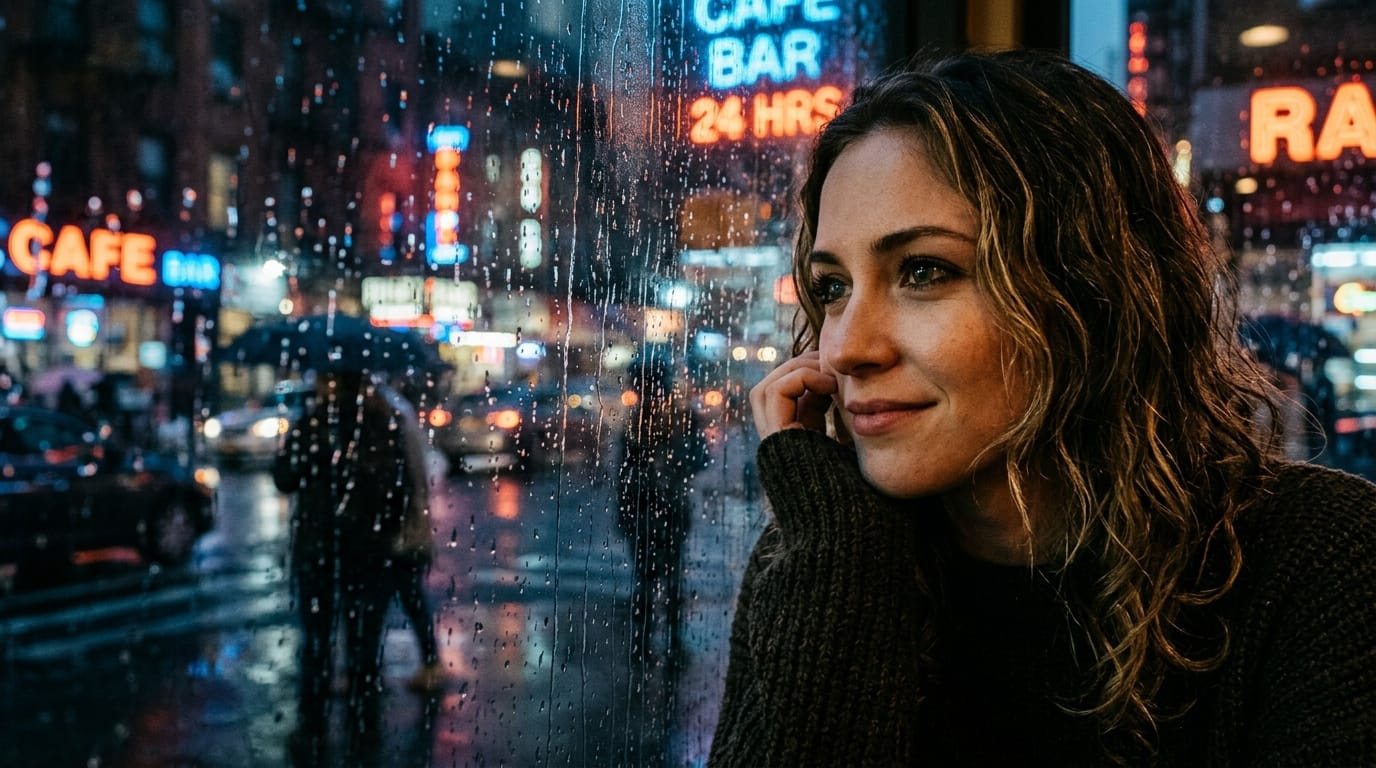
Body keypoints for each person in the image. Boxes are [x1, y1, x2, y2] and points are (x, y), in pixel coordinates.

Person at [708, 49, 1376, 767]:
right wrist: (839, 572)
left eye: (926, 271)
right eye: (832, 287)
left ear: (1090, 291)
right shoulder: (824, 559)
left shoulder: (1318, 560)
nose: (844, 348)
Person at [273, 370, 419, 762]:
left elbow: (284, 477)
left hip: (319, 551)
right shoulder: (380, 424)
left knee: (317, 644)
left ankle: (313, 728)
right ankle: (364, 731)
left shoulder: (312, 424)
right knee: (364, 647)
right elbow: (399, 491)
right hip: (369, 552)